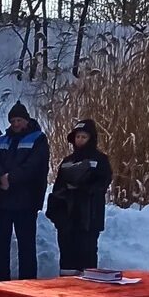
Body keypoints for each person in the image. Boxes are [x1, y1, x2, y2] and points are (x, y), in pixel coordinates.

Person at [0, 101, 49, 281]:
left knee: (26, 243)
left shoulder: (38, 139)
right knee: (2, 242)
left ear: (26, 120)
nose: (16, 124)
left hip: (26, 200)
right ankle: (0, 277)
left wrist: (9, 178)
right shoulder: (1, 139)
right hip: (3, 199)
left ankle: (28, 280)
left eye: (19, 120)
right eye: (13, 121)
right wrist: (0, 175)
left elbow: (33, 166)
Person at [46, 118, 113, 275]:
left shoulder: (100, 160)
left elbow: (103, 183)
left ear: (91, 138)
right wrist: (57, 214)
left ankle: (88, 292)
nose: (80, 140)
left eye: (84, 137)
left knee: (87, 256)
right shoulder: (67, 161)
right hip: (67, 217)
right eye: (77, 137)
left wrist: (84, 186)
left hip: (89, 217)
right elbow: (58, 188)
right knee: (67, 259)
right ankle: (67, 290)